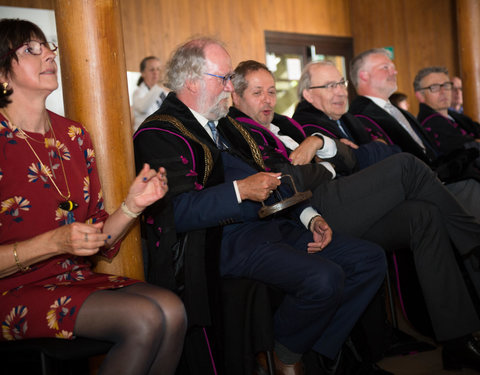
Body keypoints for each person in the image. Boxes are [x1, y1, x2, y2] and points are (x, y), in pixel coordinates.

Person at [134, 38, 387, 375]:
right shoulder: (158, 133)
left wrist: (310, 217)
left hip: (276, 225)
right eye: (223, 78)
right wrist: (240, 191)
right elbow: (174, 213)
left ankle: (302, 350)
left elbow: (276, 176)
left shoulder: (227, 124)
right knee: (324, 279)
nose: (230, 88)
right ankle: (291, 355)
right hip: (223, 242)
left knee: (368, 260)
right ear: (192, 81)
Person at [228, 59, 480, 372]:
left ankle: (457, 341)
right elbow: (289, 180)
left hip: (341, 203)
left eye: (270, 91)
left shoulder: (286, 124)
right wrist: (327, 163)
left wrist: (319, 144)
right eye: (257, 93)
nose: (267, 99)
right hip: (311, 209)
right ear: (235, 96)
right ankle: (474, 242)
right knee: (407, 166)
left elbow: (354, 158)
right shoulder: (239, 130)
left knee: (423, 215)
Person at [0, 19, 186, 375]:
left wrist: (134, 205)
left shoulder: (74, 136)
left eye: (48, 47)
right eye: (30, 50)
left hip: (71, 280)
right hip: (11, 290)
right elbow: (60, 240)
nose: (49, 56)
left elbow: (99, 239)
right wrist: (52, 242)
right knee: (144, 318)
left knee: (173, 310)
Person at [348, 48, 480, 218]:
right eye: (385, 67)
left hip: (439, 175)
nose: (394, 71)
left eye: (393, 67)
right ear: (364, 76)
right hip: (417, 188)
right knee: (472, 187)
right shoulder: (360, 116)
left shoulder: (395, 110)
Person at [292, 60, 400, 170]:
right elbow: (354, 164)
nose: (342, 92)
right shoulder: (305, 127)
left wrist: (370, 149)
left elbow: (394, 151)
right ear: (308, 95)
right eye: (331, 86)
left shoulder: (346, 118)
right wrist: (378, 145)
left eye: (342, 83)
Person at [414, 66, 480, 163]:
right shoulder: (428, 124)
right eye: (434, 87)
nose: (443, 92)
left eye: (446, 85)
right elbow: (465, 150)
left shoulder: (454, 115)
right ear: (421, 96)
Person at [132, 56, 169, 132]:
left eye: (158, 69)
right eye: (152, 70)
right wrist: (159, 84)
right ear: (143, 73)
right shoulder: (138, 93)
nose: (156, 73)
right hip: (145, 135)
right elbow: (142, 108)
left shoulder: (164, 92)